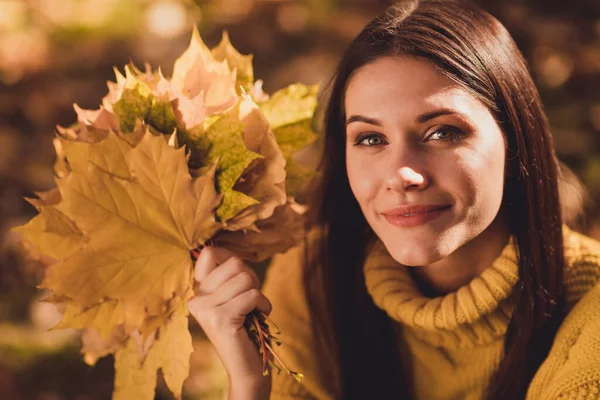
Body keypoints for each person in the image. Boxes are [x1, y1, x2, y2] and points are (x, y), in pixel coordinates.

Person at [187, 0, 600, 399]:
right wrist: (248, 383)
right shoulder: (310, 278)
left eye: (443, 132)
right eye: (370, 138)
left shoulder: (591, 318)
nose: (402, 174)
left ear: (515, 143)